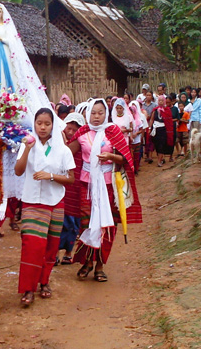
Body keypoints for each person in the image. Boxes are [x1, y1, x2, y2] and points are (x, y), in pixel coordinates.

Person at [67, 98, 141, 282]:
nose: (97, 116)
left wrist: (110, 156)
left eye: (100, 112)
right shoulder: (83, 132)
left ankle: (99, 265)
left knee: (106, 225)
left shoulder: (113, 131)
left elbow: (125, 158)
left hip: (109, 186)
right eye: (93, 113)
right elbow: (67, 154)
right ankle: (87, 262)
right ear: (87, 113)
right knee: (87, 224)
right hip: (86, 185)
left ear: (106, 113)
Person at [14, 108, 75, 306]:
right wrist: (27, 150)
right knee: (32, 245)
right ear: (34, 123)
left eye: (47, 123)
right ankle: (28, 288)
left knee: (50, 245)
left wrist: (50, 176)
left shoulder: (62, 149)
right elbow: (18, 171)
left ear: (53, 125)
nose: (42, 127)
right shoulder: (27, 144)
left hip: (55, 200)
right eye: (39, 123)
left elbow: (70, 179)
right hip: (32, 200)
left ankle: (44, 282)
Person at [58, 113, 85, 265]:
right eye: (68, 128)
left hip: (74, 183)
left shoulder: (76, 142)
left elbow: (66, 153)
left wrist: (63, 139)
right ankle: (57, 252)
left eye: (74, 130)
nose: (70, 132)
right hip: (62, 181)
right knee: (60, 218)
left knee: (71, 218)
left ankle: (68, 252)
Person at [149, 96, 174, 167]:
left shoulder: (167, 110)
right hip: (156, 129)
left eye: (162, 100)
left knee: (161, 145)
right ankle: (160, 158)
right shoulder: (155, 110)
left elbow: (169, 121)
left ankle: (159, 161)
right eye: (159, 100)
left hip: (163, 129)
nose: (160, 102)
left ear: (164, 101)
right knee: (156, 144)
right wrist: (150, 128)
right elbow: (151, 119)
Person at [129, 100, 147, 174]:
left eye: (132, 112)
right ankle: (132, 169)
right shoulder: (128, 120)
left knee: (136, 156)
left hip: (137, 140)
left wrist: (136, 133)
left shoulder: (138, 120)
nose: (131, 113)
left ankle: (136, 169)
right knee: (131, 156)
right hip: (130, 141)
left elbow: (141, 130)